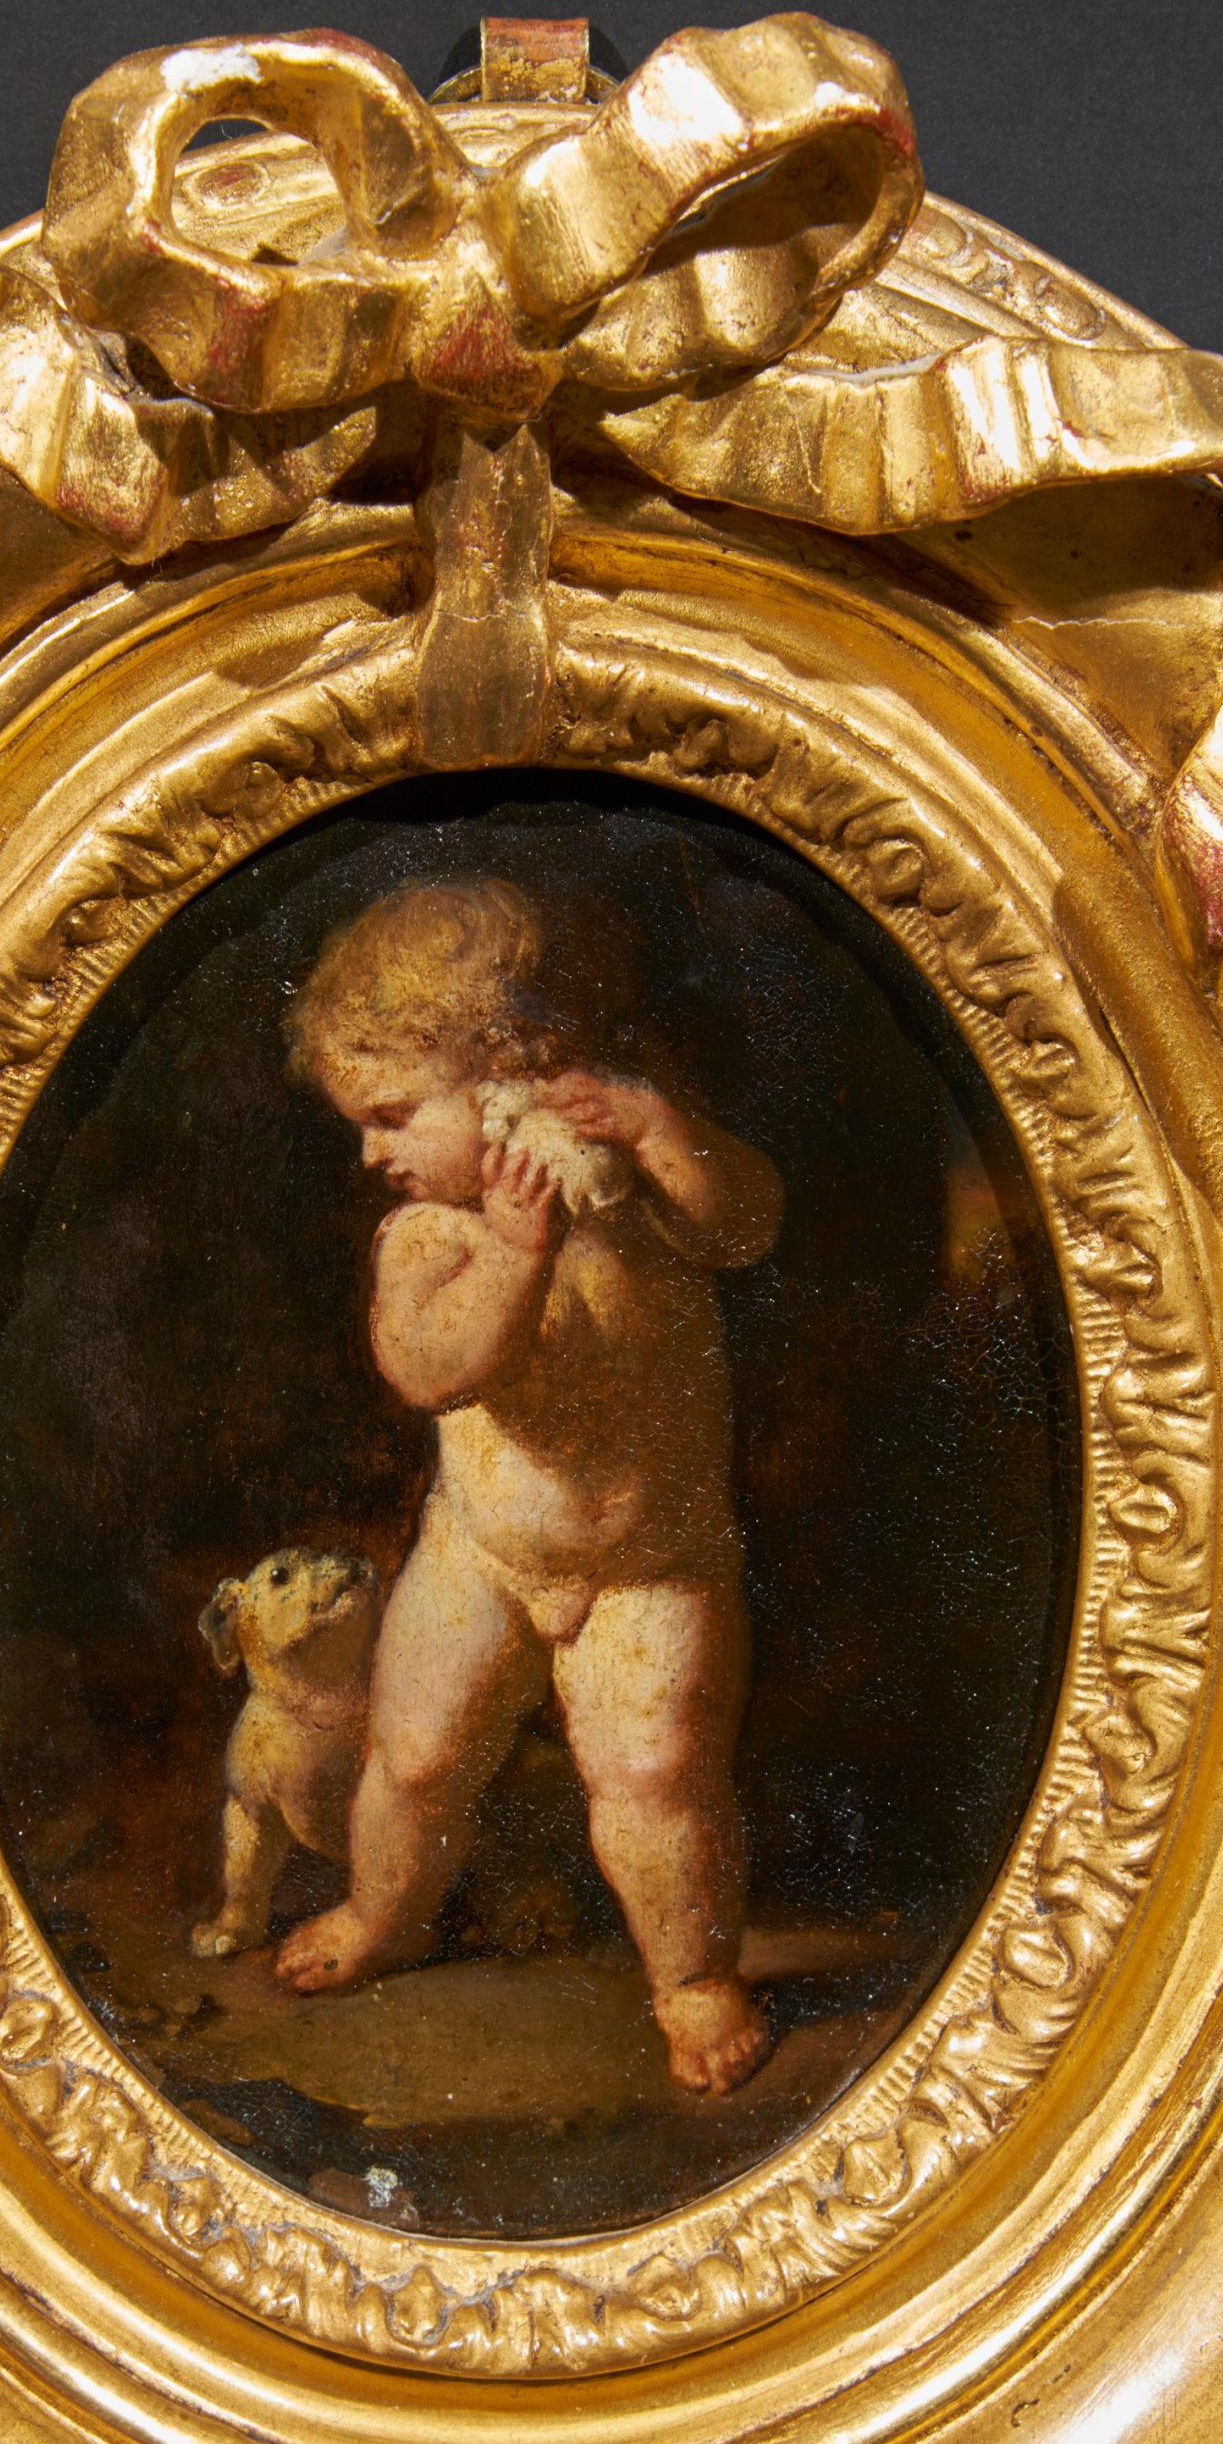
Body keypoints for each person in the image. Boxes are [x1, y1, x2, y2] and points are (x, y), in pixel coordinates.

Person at [274, 876, 784, 2095]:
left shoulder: (639, 1197)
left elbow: (747, 1227)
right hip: (484, 1556)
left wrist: (656, 1130)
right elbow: (429, 1369)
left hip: (653, 1566)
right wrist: (513, 1254)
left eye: (394, 1116)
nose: (372, 1152)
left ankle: (691, 1980)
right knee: (415, 1757)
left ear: (510, 1082)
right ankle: (381, 1913)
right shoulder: (431, 1236)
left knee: (656, 1781)